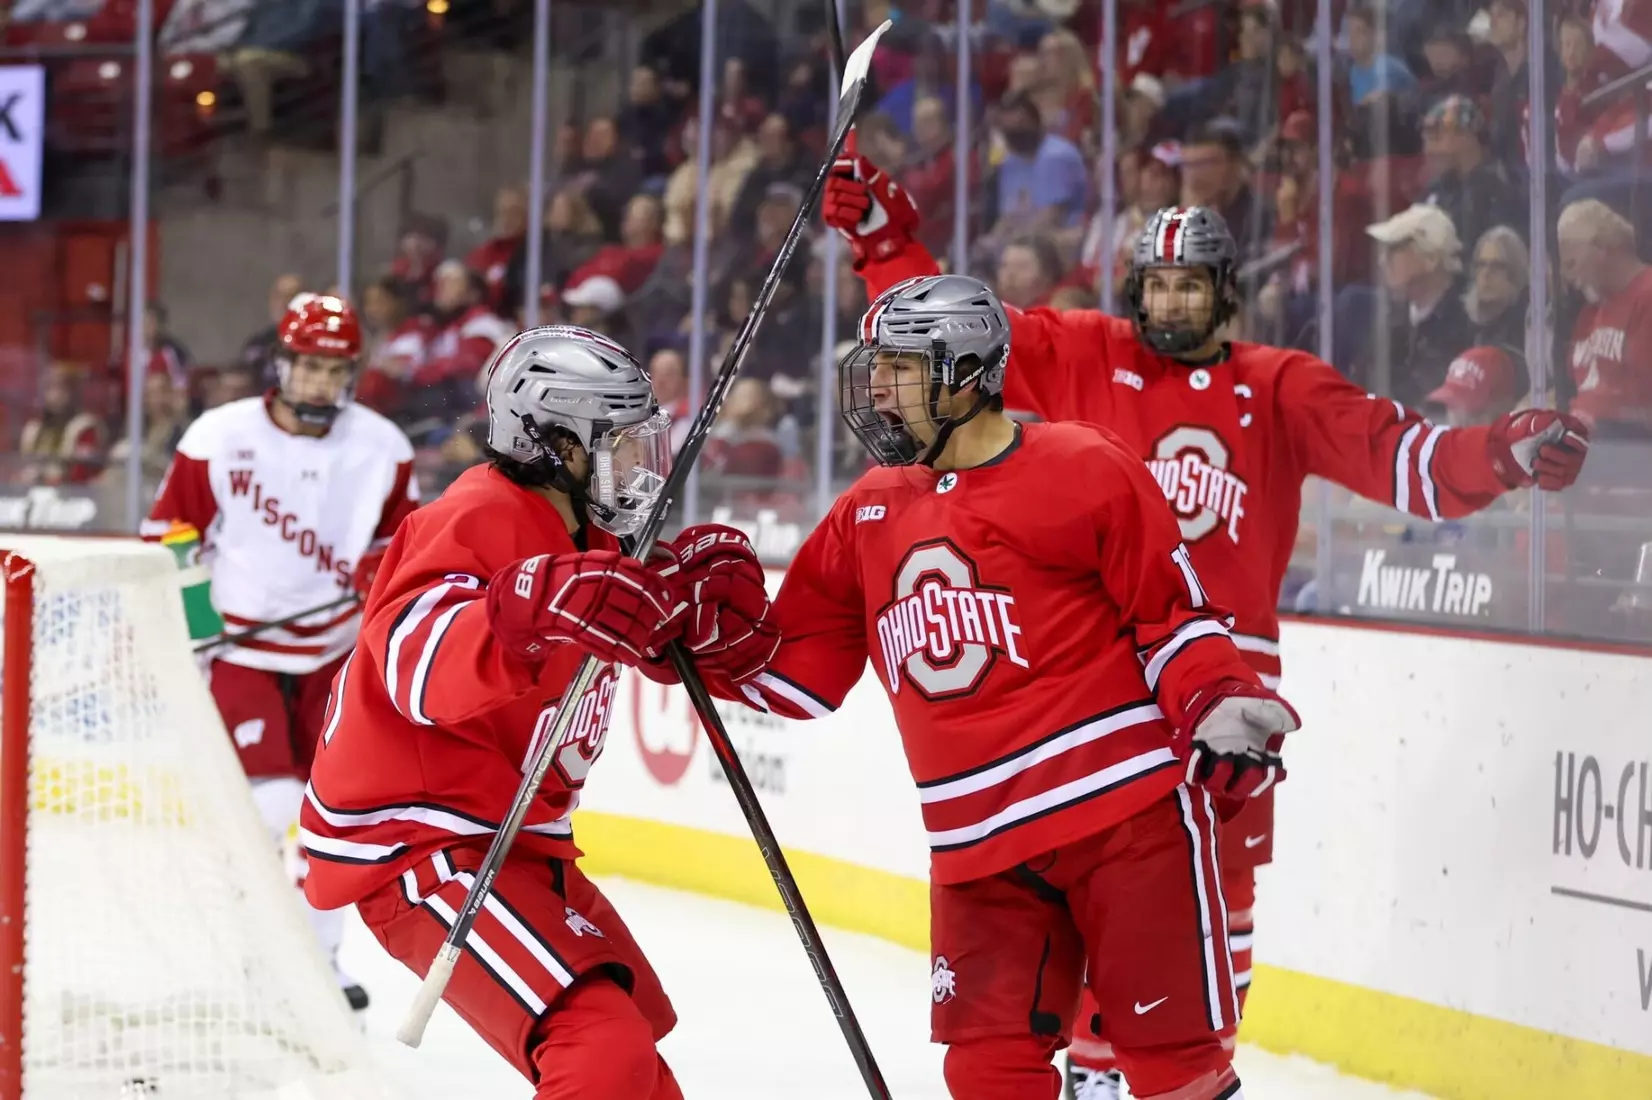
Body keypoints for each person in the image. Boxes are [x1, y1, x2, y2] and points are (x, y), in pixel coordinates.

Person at [820, 158, 1591, 1100]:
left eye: (1191, 283)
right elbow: (945, 339)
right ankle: (1098, 1070)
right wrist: (887, 245)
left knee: (1214, 899)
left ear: (1226, 292)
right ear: (1133, 290)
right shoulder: (1086, 351)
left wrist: (1500, 454)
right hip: (1100, 683)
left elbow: (1403, 458)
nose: (1172, 300)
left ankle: (1162, 1062)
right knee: (1100, 885)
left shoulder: (1280, 384)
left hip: (1222, 687)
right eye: (1157, 283)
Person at [682, 278, 1301, 1100]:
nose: (879, 388)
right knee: (985, 1074)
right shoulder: (865, 513)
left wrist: (1216, 699)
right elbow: (792, 675)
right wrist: (681, 638)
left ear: (968, 376)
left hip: (1124, 823)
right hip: (978, 852)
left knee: (1173, 1068)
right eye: (878, 366)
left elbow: (1173, 618)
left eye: (901, 367)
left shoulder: (1084, 466)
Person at [296, 326, 771, 1100]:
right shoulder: (474, 516)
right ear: (557, 444)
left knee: (634, 1061)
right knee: (598, 1045)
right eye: (619, 442)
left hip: (517, 837)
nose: (639, 462)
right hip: (420, 840)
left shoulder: (594, 532)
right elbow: (417, 664)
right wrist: (523, 613)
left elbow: (631, 619)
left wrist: (697, 608)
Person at [143, 293, 419, 1010]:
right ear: (282, 364)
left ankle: (321, 964)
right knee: (269, 806)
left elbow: (403, 546)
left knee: (337, 816)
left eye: (335, 370)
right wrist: (200, 622)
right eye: (309, 367)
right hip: (242, 651)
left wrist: (382, 572)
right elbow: (169, 532)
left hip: (335, 653)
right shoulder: (219, 435)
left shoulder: (384, 447)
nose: (320, 384)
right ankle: (255, 954)